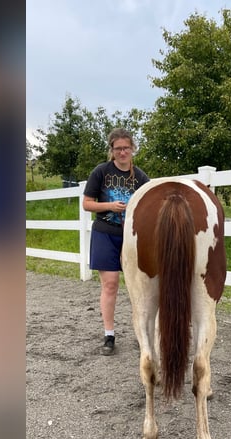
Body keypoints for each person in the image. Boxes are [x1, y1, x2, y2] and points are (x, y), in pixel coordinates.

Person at [83, 128, 150, 355]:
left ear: (133, 149)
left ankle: (141, 333)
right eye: (118, 148)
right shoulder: (101, 172)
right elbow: (87, 203)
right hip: (104, 232)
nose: (123, 152)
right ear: (111, 150)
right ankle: (109, 334)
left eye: (126, 148)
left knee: (139, 286)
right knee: (110, 284)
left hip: (132, 237)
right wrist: (110, 206)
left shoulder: (141, 178)